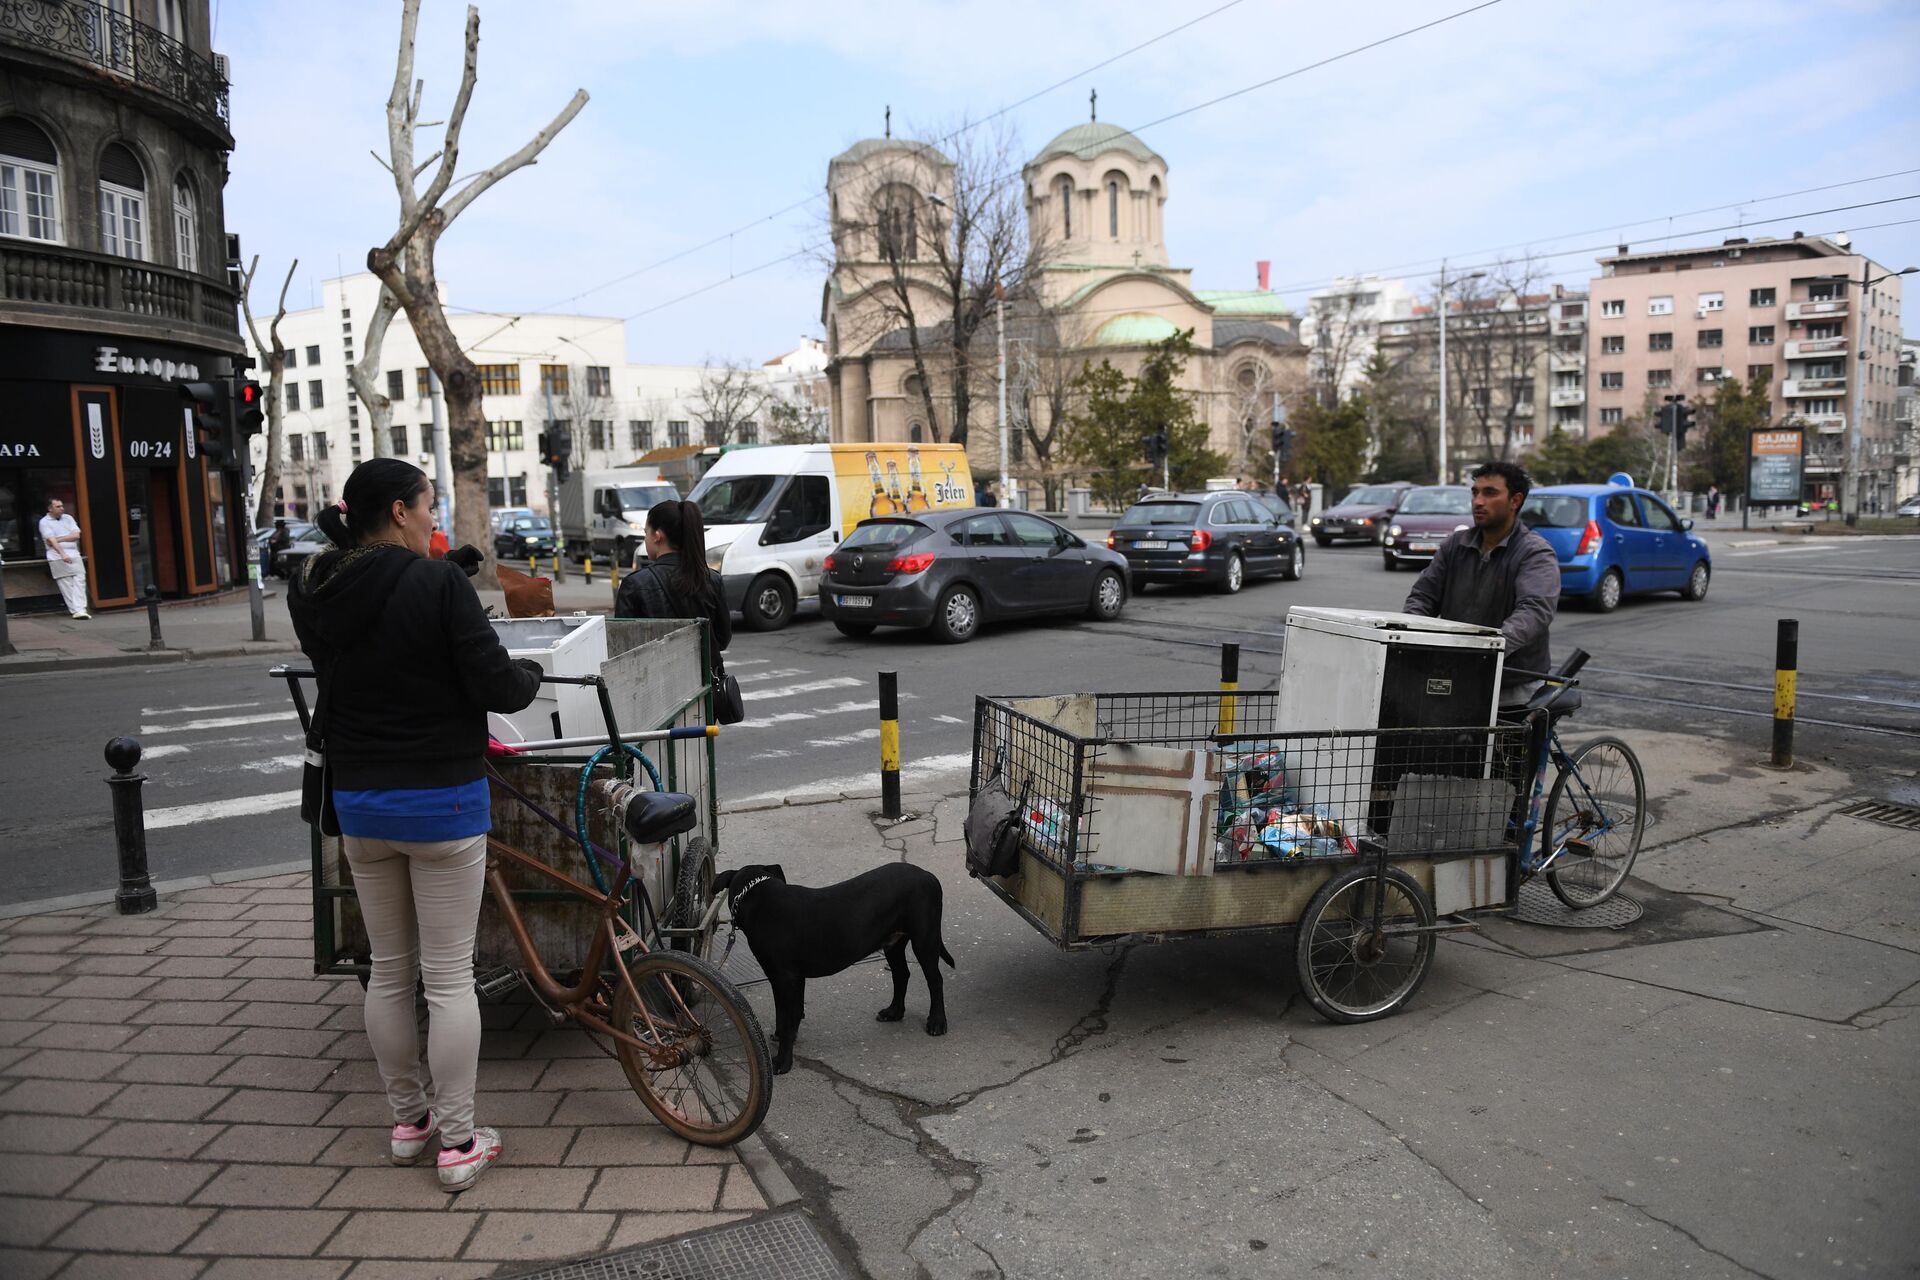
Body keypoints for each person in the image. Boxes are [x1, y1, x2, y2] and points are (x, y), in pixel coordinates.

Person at [287, 458, 542, 1193]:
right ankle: (460, 1141)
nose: (436, 520)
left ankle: (409, 1124)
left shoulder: (314, 586)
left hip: (360, 803)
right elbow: (496, 684)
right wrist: (523, 673)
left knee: (390, 974)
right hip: (442, 802)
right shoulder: (436, 582)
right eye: (429, 507)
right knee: (449, 977)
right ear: (399, 511)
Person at [1402, 460, 1559, 709]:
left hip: (1512, 686)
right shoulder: (1455, 545)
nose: (1478, 501)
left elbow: (1534, 611)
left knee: (1500, 748)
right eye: (1475, 492)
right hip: (1455, 676)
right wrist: (1413, 637)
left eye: (1490, 493)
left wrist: (1489, 648)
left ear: (1515, 501)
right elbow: (1422, 597)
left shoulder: (1534, 553)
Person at [613, 498, 732, 671]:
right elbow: (721, 638)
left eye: (646, 532)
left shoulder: (635, 584)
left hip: (656, 685)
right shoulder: (711, 579)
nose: (645, 540)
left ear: (657, 535)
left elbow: (622, 648)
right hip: (703, 686)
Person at [39, 498, 89, 619]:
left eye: (62, 506)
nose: (62, 508)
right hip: (56, 556)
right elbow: (51, 540)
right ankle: (76, 610)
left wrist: (59, 539)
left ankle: (80, 609)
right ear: (50, 508)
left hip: (73, 552)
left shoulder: (68, 518)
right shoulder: (44, 522)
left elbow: (76, 535)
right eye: (58, 506)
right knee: (66, 583)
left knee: (80, 580)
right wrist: (62, 553)